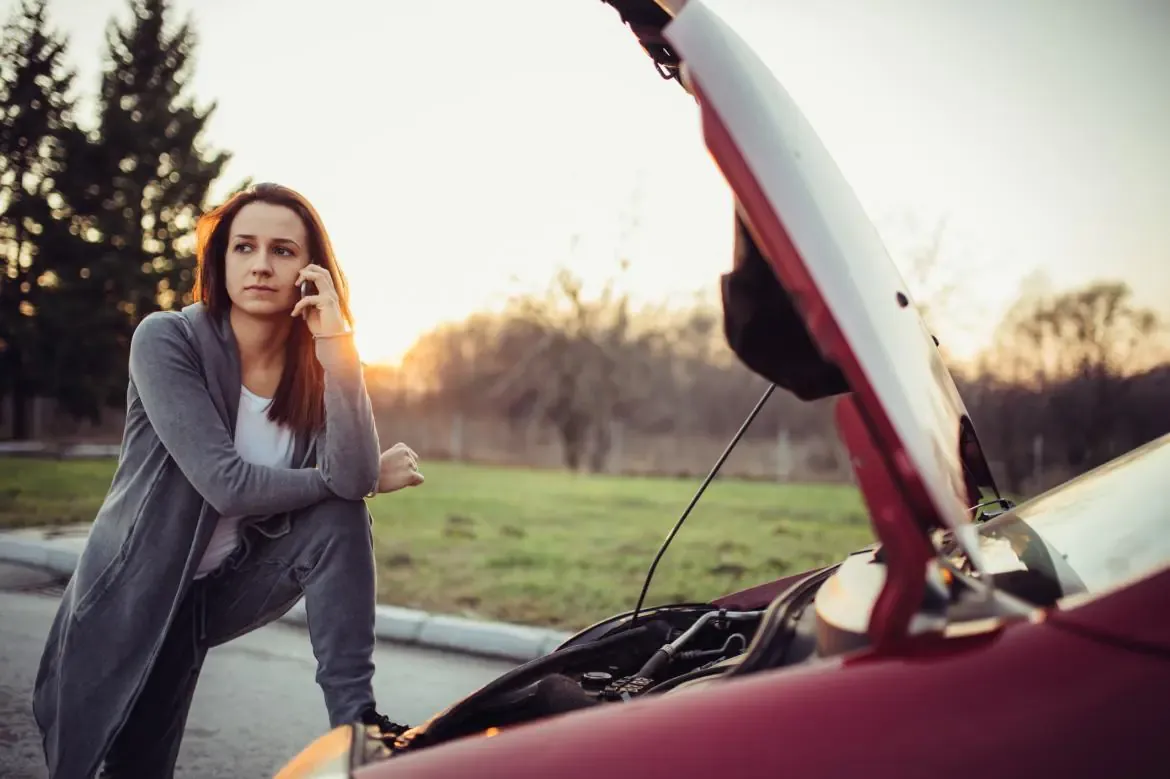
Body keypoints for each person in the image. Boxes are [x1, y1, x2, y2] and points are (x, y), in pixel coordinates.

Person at [32, 182, 423, 779]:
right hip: (132, 601)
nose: (261, 264)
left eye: (283, 251)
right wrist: (362, 477)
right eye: (244, 247)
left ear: (311, 270)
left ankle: (357, 725)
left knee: (340, 517)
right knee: (131, 768)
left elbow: (347, 484)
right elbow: (230, 485)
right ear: (220, 260)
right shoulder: (168, 340)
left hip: (215, 595)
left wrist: (338, 345)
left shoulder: (314, 371)